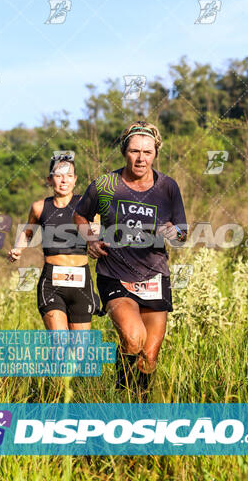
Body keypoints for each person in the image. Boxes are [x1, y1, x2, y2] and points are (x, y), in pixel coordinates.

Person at [73, 122, 187, 398]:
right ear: (124, 151)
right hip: (115, 273)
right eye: (134, 151)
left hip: (155, 276)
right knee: (133, 338)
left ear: (155, 153)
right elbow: (80, 215)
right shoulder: (106, 184)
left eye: (147, 152)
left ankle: (139, 404)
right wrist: (89, 239)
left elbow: (183, 232)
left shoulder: (167, 187)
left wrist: (174, 232)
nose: (141, 158)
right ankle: (121, 397)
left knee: (149, 357)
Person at [8, 153, 101, 330]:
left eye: (69, 176)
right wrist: (18, 249)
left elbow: (99, 225)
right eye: (59, 176)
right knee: (60, 344)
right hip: (51, 281)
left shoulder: (85, 203)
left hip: (81, 281)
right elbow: (28, 232)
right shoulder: (39, 207)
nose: (64, 181)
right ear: (50, 180)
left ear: (75, 180)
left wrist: (96, 233)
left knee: (80, 351)